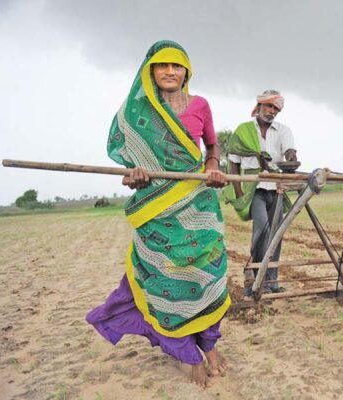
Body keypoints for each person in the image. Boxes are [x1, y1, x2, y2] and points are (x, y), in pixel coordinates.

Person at [86, 40, 230, 388]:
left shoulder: (200, 105)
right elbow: (132, 168)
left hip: (198, 205)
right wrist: (134, 175)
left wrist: (213, 167)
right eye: (161, 66)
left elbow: (212, 146)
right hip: (157, 213)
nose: (169, 72)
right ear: (149, 72)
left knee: (206, 277)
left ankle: (210, 348)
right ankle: (189, 355)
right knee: (166, 285)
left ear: (186, 72)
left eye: (176, 66)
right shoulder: (135, 115)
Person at [224, 90, 297, 295]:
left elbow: (290, 150)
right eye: (269, 106)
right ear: (259, 106)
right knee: (262, 230)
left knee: (276, 234)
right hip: (253, 188)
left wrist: (291, 157)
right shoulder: (244, 130)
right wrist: (238, 192)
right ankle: (257, 278)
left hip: (277, 188)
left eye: (276, 108)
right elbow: (233, 163)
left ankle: (272, 282)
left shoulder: (283, 130)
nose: (272, 111)